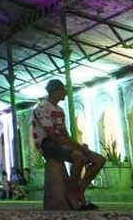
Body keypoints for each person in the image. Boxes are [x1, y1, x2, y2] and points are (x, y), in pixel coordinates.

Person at [31, 79, 105, 210]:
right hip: (47, 144)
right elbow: (51, 135)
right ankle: (71, 191)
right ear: (57, 91)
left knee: (99, 160)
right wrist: (75, 147)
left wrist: (79, 146)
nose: (65, 92)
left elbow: (64, 134)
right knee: (79, 157)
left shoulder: (60, 110)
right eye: (63, 89)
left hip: (61, 143)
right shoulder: (42, 108)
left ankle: (79, 191)